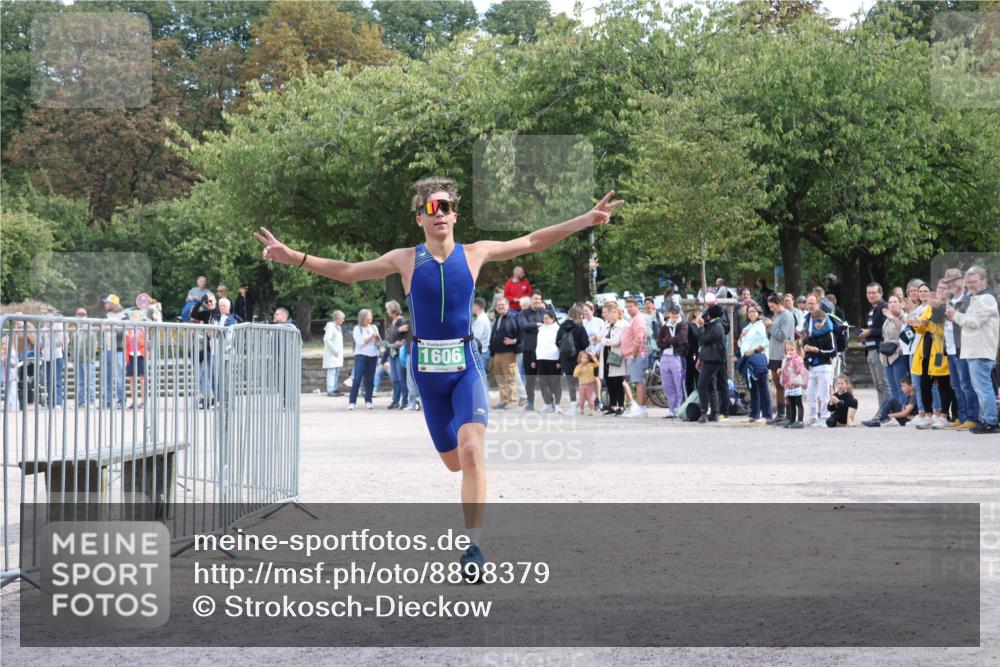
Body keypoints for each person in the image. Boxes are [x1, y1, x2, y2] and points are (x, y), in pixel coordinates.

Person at [256, 177, 622, 575]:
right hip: (428, 375)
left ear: (455, 215)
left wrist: (585, 220)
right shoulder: (406, 259)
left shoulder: (475, 253)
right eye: (432, 208)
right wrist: (296, 257)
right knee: (453, 462)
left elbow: (532, 241)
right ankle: (468, 494)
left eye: (446, 206)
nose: (440, 214)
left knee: (471, 451)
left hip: (466, 365)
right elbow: (347, 271)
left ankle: (473, 549)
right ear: (420, 218)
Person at [946, 266, 1000, 434]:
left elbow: (973, 322)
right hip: (974, 350)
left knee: (983, 388)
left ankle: (990, 421)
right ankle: (985, 419)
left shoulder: (987, 299)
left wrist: (954, 315)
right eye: (968, 282)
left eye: (974, 281)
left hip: (981, 349)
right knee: (979, 388)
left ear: (984, 280)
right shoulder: (977, 298)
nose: (970, 285)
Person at [908, 283, 953, 429]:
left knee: (942, 383)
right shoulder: (928, 308)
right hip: (925, 352)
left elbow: (939, 329)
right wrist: (917, 324)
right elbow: (921, 329)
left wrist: (926, 324)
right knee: (924, 384)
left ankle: (944, 415)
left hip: (939, 351)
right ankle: (928, 415)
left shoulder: (946, 308)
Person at [941, 268, 978, 430]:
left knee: (966, 384)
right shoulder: (949, 300)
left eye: (954, 280)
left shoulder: (970, 300)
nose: (951, 284)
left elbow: (970, 322)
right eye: (948, 281)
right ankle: (961, 417)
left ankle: (972, 417)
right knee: (956, 385)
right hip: (950, 348)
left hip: (963, 347)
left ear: (962, 281)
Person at [802, 295, 837, 426]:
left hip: (824, 367)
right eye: (815, 321)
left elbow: (833, 352)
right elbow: (806, 345)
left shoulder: (829, 333)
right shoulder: (810, 333)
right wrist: (806, 346)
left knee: (824, 394)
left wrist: (818, 350)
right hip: (812, 366)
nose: (818, 323)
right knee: (810, 393)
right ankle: (812, 416)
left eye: (820, 321)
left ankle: (825, 417)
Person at [764, 294, 795, 425]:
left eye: (772, 306)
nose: (771, 309)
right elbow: (770, 335)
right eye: (769, 307)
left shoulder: (787, 316)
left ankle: (788, 414)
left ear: (779, 303)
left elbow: (784, 336)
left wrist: (770, 327)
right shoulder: (776, 315)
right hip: (773, 355)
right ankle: (780, 413)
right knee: (778, 385)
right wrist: (767, 326)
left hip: (783, 355)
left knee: (784, 385)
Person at [737, 303, 770, 423]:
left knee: (762, 386)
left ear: (759, 313)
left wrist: (755, 350)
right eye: (749, 311)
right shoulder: (747, 327)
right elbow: (741, 344)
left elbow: (766, 342)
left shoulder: (761, 325)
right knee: (752, 387)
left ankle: (766, 414)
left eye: (754, 311)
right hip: (746, 358)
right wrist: (741, 336)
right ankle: (754, 414)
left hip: (758, 357)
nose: (751, 314)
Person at [859, 283, 891, 407]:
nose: (871, 295)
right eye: (869, 293)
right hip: (870, 349)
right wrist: (863, 333)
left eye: (874, 292)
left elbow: (886, 330)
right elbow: (871, 330)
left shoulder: (885, 308)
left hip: (880, 351)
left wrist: (869, 332)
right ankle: (882, 411)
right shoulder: (871, 311)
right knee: (877, 384)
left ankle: (888, 412)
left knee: (884, 383)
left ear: (881, 293)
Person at [517, 291, 550, 411]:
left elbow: (551, 324)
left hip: (542, 349)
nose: (537, 301)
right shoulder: (523, 313)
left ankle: (548, 402)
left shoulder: (544, 312)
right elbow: (523, 326)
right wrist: (537, 324)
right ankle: (530, 402)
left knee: (543, 377)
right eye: (535, 299)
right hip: (529, 349)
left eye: (539, 299)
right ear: (531, 299)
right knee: (529, 378)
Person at [695, 304, 726, 423]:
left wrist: (701, 327)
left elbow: (704, 339)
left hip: (713, 359)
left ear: (710, 314)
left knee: (701, 385)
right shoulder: (714, 324)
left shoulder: (717, 326)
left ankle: (703, 412)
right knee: (710, 385)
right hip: (709, 358)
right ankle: (714, 412)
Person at [657, 305, 688, 418]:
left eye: (677, 313)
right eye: (672, 313)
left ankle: (680, 409)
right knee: (667, 385)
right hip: (665, 356)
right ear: (669, 314)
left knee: (679, 384)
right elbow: (659, 342)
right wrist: (669, 341)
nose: (675, 315)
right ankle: (672, 409)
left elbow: (681, 339)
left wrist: (668, 340)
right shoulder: (665, 326)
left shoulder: (683, 324)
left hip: (677, 356)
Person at [488, 297, 520, 409]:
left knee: (510, 377)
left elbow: (521, 332)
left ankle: (513, 401)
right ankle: (504, 401)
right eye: (499, 305)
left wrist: (515, 341)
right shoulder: (497, 318)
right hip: (496, 353)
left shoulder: (514, 317)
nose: (501, 307)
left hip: (508, 353)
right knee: (500, 379)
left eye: (503, 305)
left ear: (508, 306)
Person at [556, 306, 589, 415]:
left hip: (566, 358)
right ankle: (583, 406)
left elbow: (557, 342)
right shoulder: (580, 328)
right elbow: (585, 343)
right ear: (579, 315)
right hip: (579, 358)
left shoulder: (562, 326)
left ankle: (573, 406)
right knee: (582, 382)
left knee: (571, 383)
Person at [879, 295, 909, 406]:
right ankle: (896, 412)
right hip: (887, 355)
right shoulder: (887, 318)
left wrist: (893, 318)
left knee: (901, 386)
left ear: (901, 304)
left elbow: (903, 329)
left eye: (895, 301)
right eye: (890, 302)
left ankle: (904, 411)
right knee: (892, 387)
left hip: (898, 354)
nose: (892, 304)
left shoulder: (904, 316)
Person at [621, 298, 649, 418]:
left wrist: (633, 353)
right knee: (637, 381)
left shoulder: (638, 319)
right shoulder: (633, 319)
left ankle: (641, 408)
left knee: (639, 382)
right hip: (634, 354)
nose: (628, 309)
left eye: (631, 306)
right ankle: (640, 407)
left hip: (637, 354)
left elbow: (639, 337)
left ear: (638, 307)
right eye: (627, 306)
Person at [599, 300, 628, 416]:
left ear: (618, 313)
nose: (610, 315)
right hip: (606, 354)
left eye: (613, 313)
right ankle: (613, 405)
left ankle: (621, 405)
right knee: (609, 381)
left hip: (616, 355)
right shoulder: (607, 325)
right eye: (609, 313)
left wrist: (602, 340)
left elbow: (616, 341)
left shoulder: (622, 325)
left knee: (618, 381)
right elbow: (600, 336)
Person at [349, 308, 380, 410]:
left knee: (370, 380)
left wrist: (377, 339)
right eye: (369, 315)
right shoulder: (357, 329)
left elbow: (378, 342)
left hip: (373, 355)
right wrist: (371, 336)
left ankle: (368, 400)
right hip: (361, 355)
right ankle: (352, 402)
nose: (371, 317)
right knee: (357, 378)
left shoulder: (374, 327)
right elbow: (360, 343)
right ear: (364, 317)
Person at [533, 311, 562, 413]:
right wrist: (534, 359)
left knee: (555, 383)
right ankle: (548, 404)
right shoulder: (540, 329)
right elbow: (537, 345)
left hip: (554, 359)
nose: (545, 320)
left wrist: (560, 360)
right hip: (541, 358)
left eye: (547, 318)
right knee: (543, 383)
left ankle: (557, 405)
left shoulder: (558, 329)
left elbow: (561, 346)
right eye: (544, 318)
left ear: (553, 318)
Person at [385, 300, 410, 409]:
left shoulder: (402, 321)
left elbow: (406, 337)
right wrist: (397, 330)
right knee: (395, 379)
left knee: (401, 378)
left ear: (393, 310)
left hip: (399, 353)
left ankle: (405, 401)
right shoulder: (394, 322)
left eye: (388, 309)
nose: (387, 311)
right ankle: (395, 401)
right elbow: (390, 336)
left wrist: (401, 340)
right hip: (392, 353)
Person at [71, 307, 98, 405]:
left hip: (87, 361)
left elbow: (93, 346)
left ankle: (91, 401)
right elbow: (72, 346)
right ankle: (80, 401)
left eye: (83, 315)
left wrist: (88, 358)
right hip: (77, 360)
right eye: (79, 315)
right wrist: (73, 358)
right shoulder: (75, 331)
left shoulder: (90, 331)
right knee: (79, 382)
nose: (81, 317)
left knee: (89, 382)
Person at [780, 339, 808, 429]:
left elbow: (799, 371)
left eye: (792, 350)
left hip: (796, 385)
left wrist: (794, 362)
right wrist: (780, 371)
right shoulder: (785, 360)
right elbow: (785, 371)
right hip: (788, 386)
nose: (790, 352)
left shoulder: (798, 359)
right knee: (791, 404)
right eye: (788, 350)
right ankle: (792, 420)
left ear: (796, 350)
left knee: (798, 403)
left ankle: (800, 421)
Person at [124, 310, 147, 410]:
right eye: (132, 317)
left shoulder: (142, 330)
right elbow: (125, 344)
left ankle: (143, 402)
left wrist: (135, 336)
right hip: (131, 356)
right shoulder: (128, 330)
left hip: (140, 355)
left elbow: (143, 343)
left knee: (142, 379)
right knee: (132, 380)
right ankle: (134, 401)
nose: (134, 318)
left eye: (135, 317)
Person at [471, 298, 492, 393]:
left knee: (479, 377)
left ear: (477, 306)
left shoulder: (481, 320)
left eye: (472, 305)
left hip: (481, 352)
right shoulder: (483, 318)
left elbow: (476, 338)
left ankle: (482, 398)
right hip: (484, 351)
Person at [323, 310, 345, 397]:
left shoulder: (338, 327)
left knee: (336, 371)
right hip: (333, 353)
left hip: (338, 354)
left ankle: (335, 389)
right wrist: (334, 350)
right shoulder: (330, 326)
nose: (343, 320)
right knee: (332, 371)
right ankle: (330, 390)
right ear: (337, 318)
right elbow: (326, 339)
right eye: (342, 318)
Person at [573, 350, 600, 415]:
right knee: (581, 399)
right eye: (583, 358)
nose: (585, 359)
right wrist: (580, 367)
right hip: (582, 385)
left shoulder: (591, 365)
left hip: (590, 385)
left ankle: (591, 410)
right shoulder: (578, 366)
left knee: (590, 399)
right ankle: (581, 410)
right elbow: (575, 375)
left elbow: (597, 364)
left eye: (586, 358)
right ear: (580, 358)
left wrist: (593, 357)